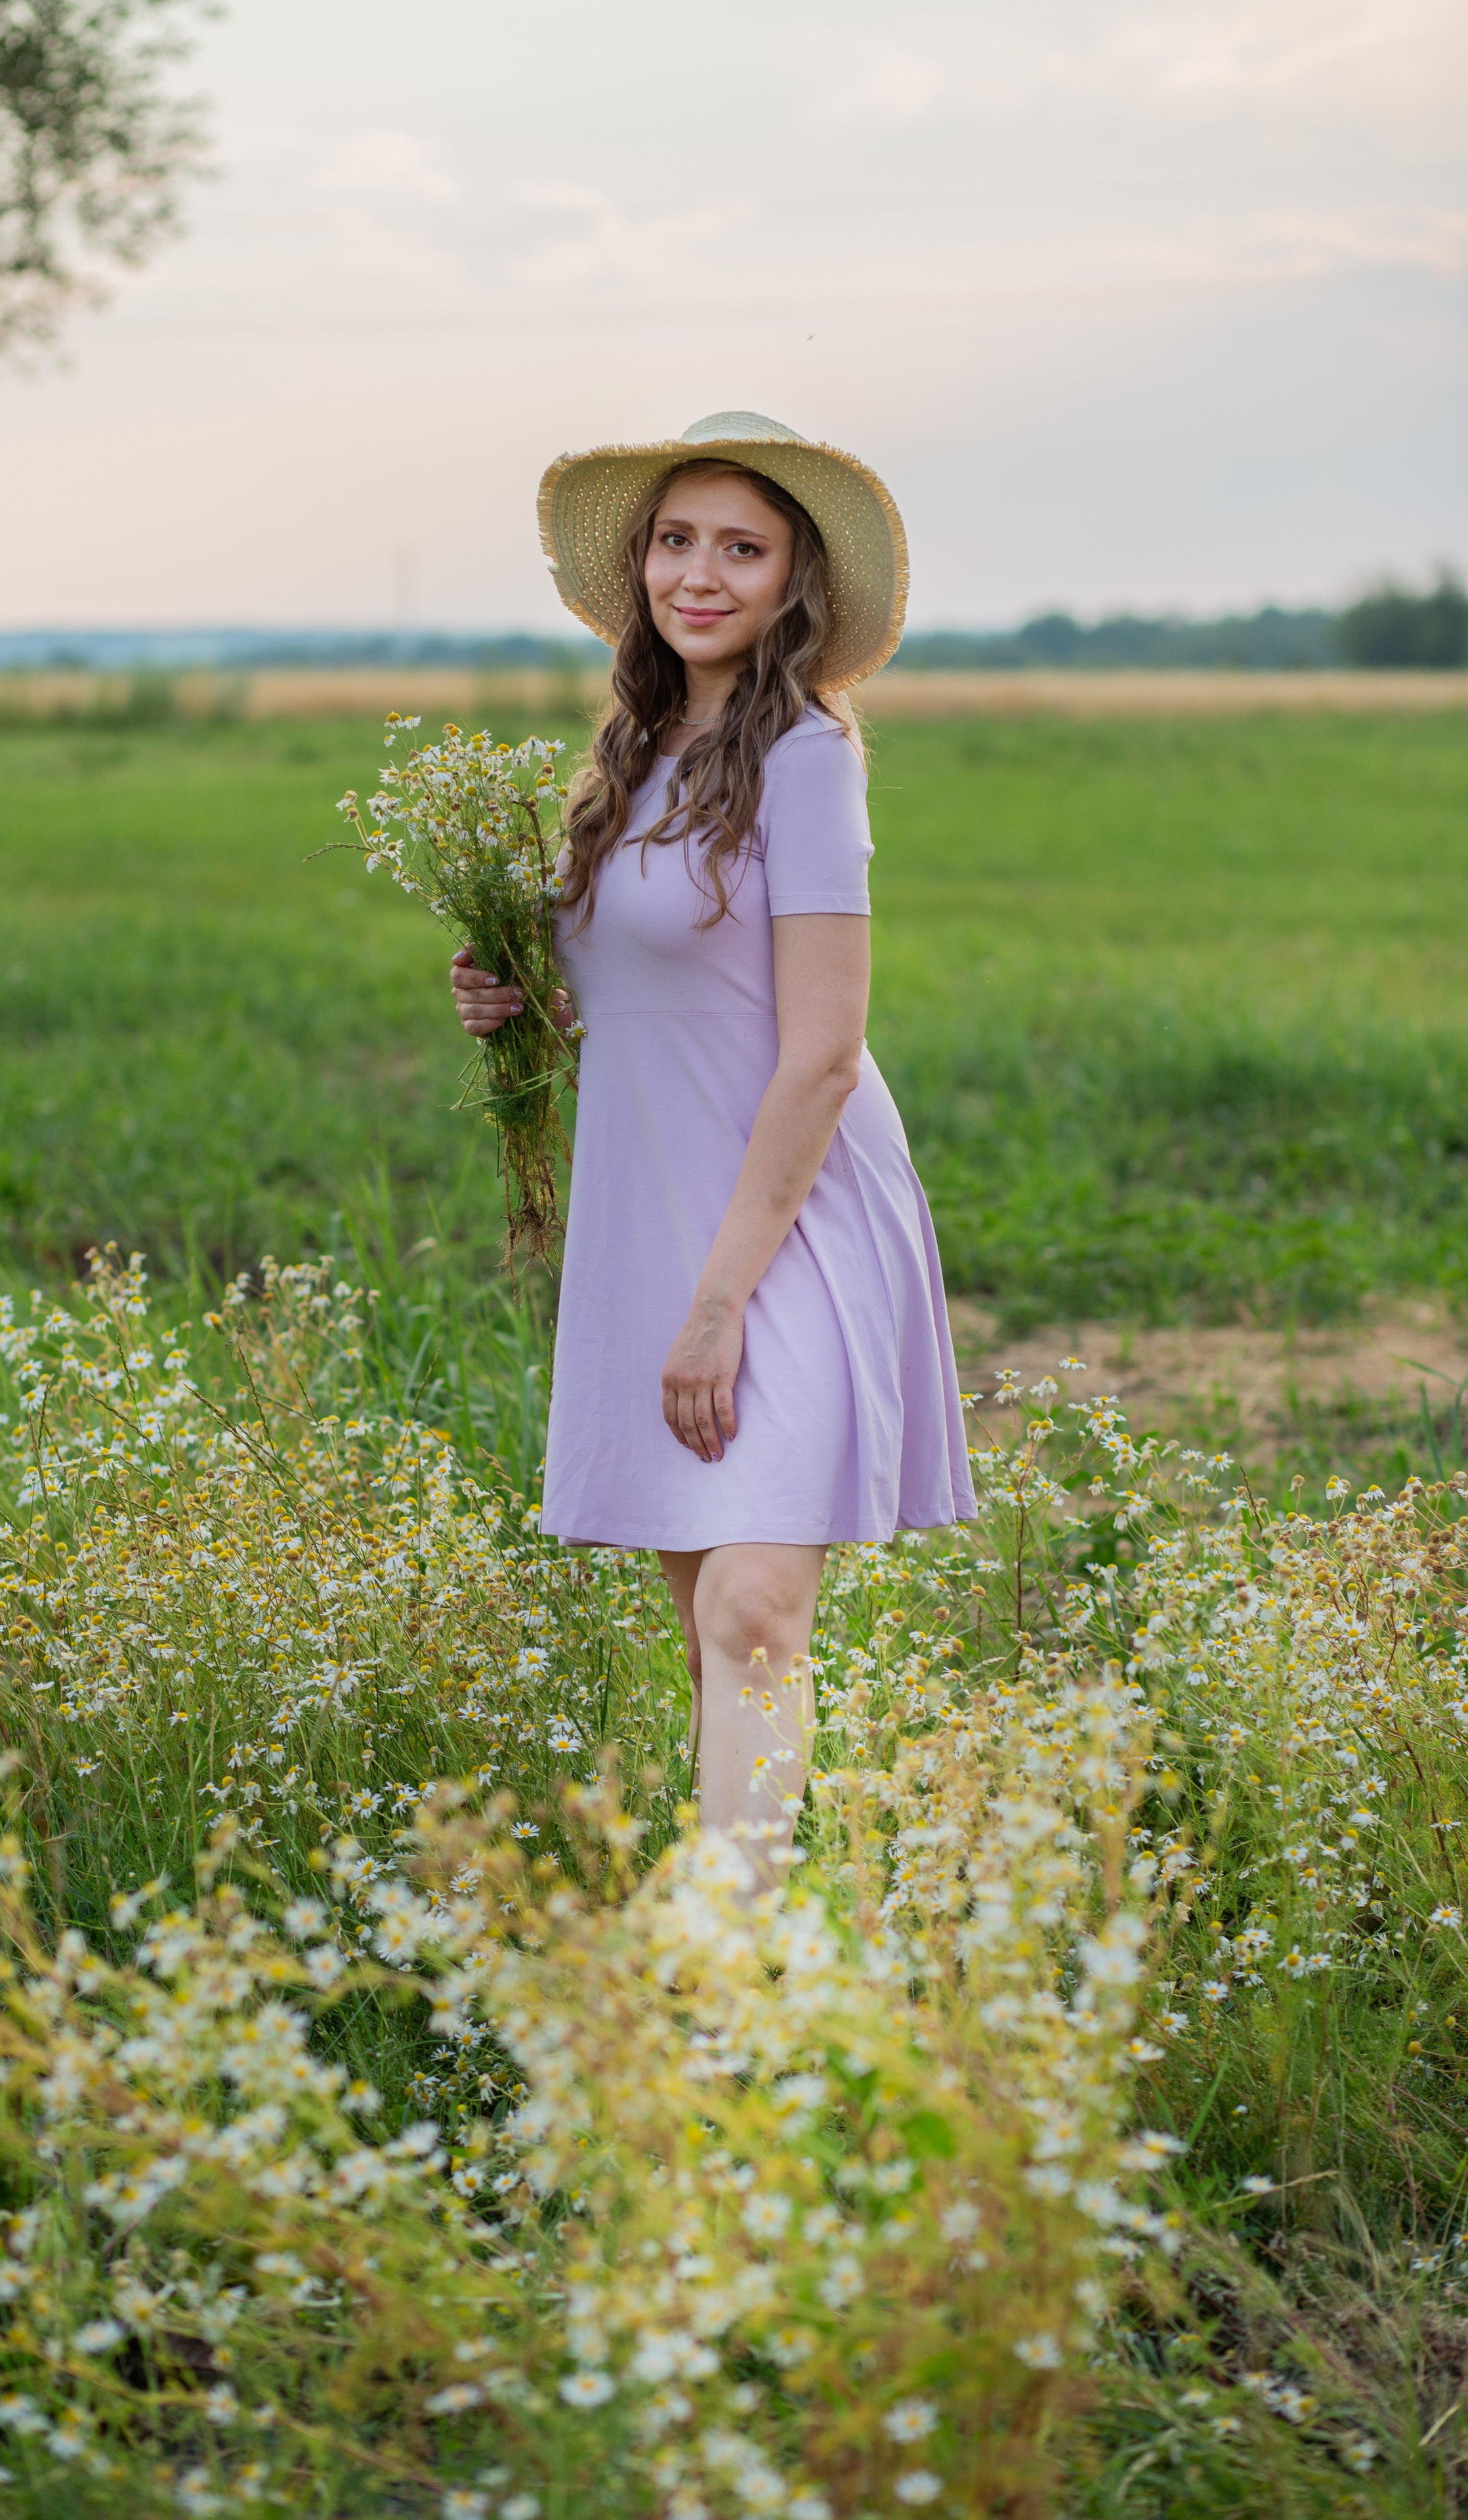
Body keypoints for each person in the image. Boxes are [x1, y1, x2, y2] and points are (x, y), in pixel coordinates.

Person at [451, 411, 975, 1887]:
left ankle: (729, 1967)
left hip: (787, 1211)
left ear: (792, 581)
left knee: (753, 1602)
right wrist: (513, 1001)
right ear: (639, 568)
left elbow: (814, 1048)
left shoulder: (805, 759)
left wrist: (718, 1300)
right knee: (704, 1617)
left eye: (738, 548)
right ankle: (743, 1926)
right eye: (675, 542)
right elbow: (630, 1002)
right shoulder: (625, 757)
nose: (699, 573)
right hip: (652, 1199)